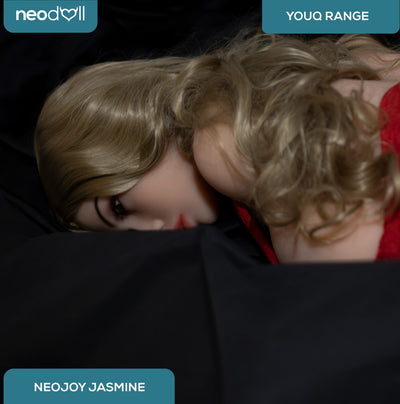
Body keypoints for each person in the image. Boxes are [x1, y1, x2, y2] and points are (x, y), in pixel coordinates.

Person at [34, 31, 400, 263]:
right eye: (127, 237)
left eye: (118, 207)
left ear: (132, 133)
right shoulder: (342, 60)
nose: (151, 233)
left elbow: (348, 288)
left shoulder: (217, 137)